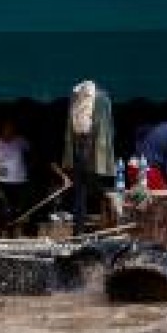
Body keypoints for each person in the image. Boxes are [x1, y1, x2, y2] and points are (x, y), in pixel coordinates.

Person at [62, 80, 115, 235]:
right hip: (88, 152)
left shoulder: (80, 99)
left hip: (83, 151)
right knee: (90, 190)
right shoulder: (99, 99)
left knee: (83, 192)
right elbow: (104, 129)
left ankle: (80, 230)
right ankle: (85, 230)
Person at [0, 120, 30, 236]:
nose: (9, 132)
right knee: (4, 210)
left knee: (19, 210)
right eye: (6, 129)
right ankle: (2, 233)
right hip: (1, 182)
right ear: (1, 130)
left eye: (11, 129)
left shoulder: (21, 141)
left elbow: (31, 157)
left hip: (20, 182)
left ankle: (17, 233)